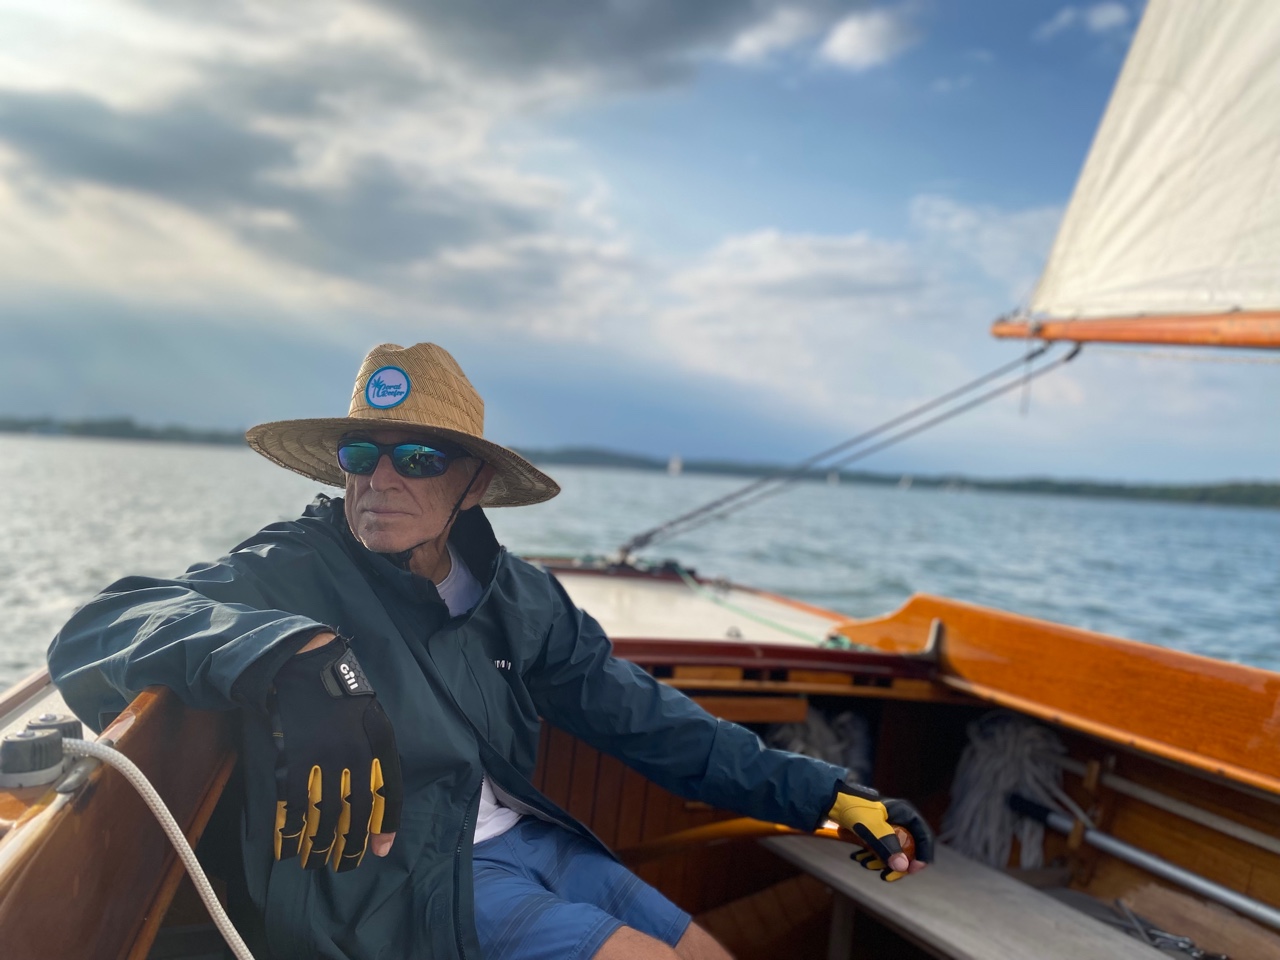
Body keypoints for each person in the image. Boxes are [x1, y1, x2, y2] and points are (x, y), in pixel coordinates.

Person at [48, 342, 933, 960]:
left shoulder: (520, 598)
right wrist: (291, 655)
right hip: (392, 886)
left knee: (704, 951)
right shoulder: (292, 568)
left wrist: (832, 797)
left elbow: (654, 723)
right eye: (361, 452)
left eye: (417, 457)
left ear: (473, 483)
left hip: (529, 845)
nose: (381, 478)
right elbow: (98, 629)